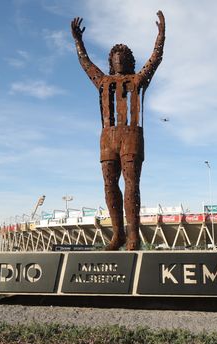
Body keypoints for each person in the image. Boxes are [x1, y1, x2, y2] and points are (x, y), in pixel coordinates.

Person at [71, 11, 165, 251]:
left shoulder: (137, 80)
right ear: (110, 61)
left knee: (132, 185)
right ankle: (118, 235)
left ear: (129, 61)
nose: (119, 60)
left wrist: (161, 36)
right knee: (109, 185)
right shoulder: (102, 82)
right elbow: (85, 64)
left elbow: (154, 60)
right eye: (115, 57)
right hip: (108, 138)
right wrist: (78, 42)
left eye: (123, 57)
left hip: (131, 136)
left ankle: (134, 236)